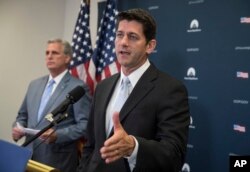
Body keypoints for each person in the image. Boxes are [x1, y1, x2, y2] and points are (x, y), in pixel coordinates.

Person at [77, 8, 190, 172]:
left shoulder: (170, 89)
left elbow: (174, 154)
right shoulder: (103, 86)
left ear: (150, 46)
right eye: (119, 35)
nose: (123, 42)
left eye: (132, 37)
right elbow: (90, 145)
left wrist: (133, 146)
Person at [12, 38, 91, 172]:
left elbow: (85, 125)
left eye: (54, 53)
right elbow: (22, 115)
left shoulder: (78, 87)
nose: (49, 56)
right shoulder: (34, 85)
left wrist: (58, 135)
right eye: (47, 53)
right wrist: (17, 129)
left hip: (56, 161)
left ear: (67, 58)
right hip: (27, 157)